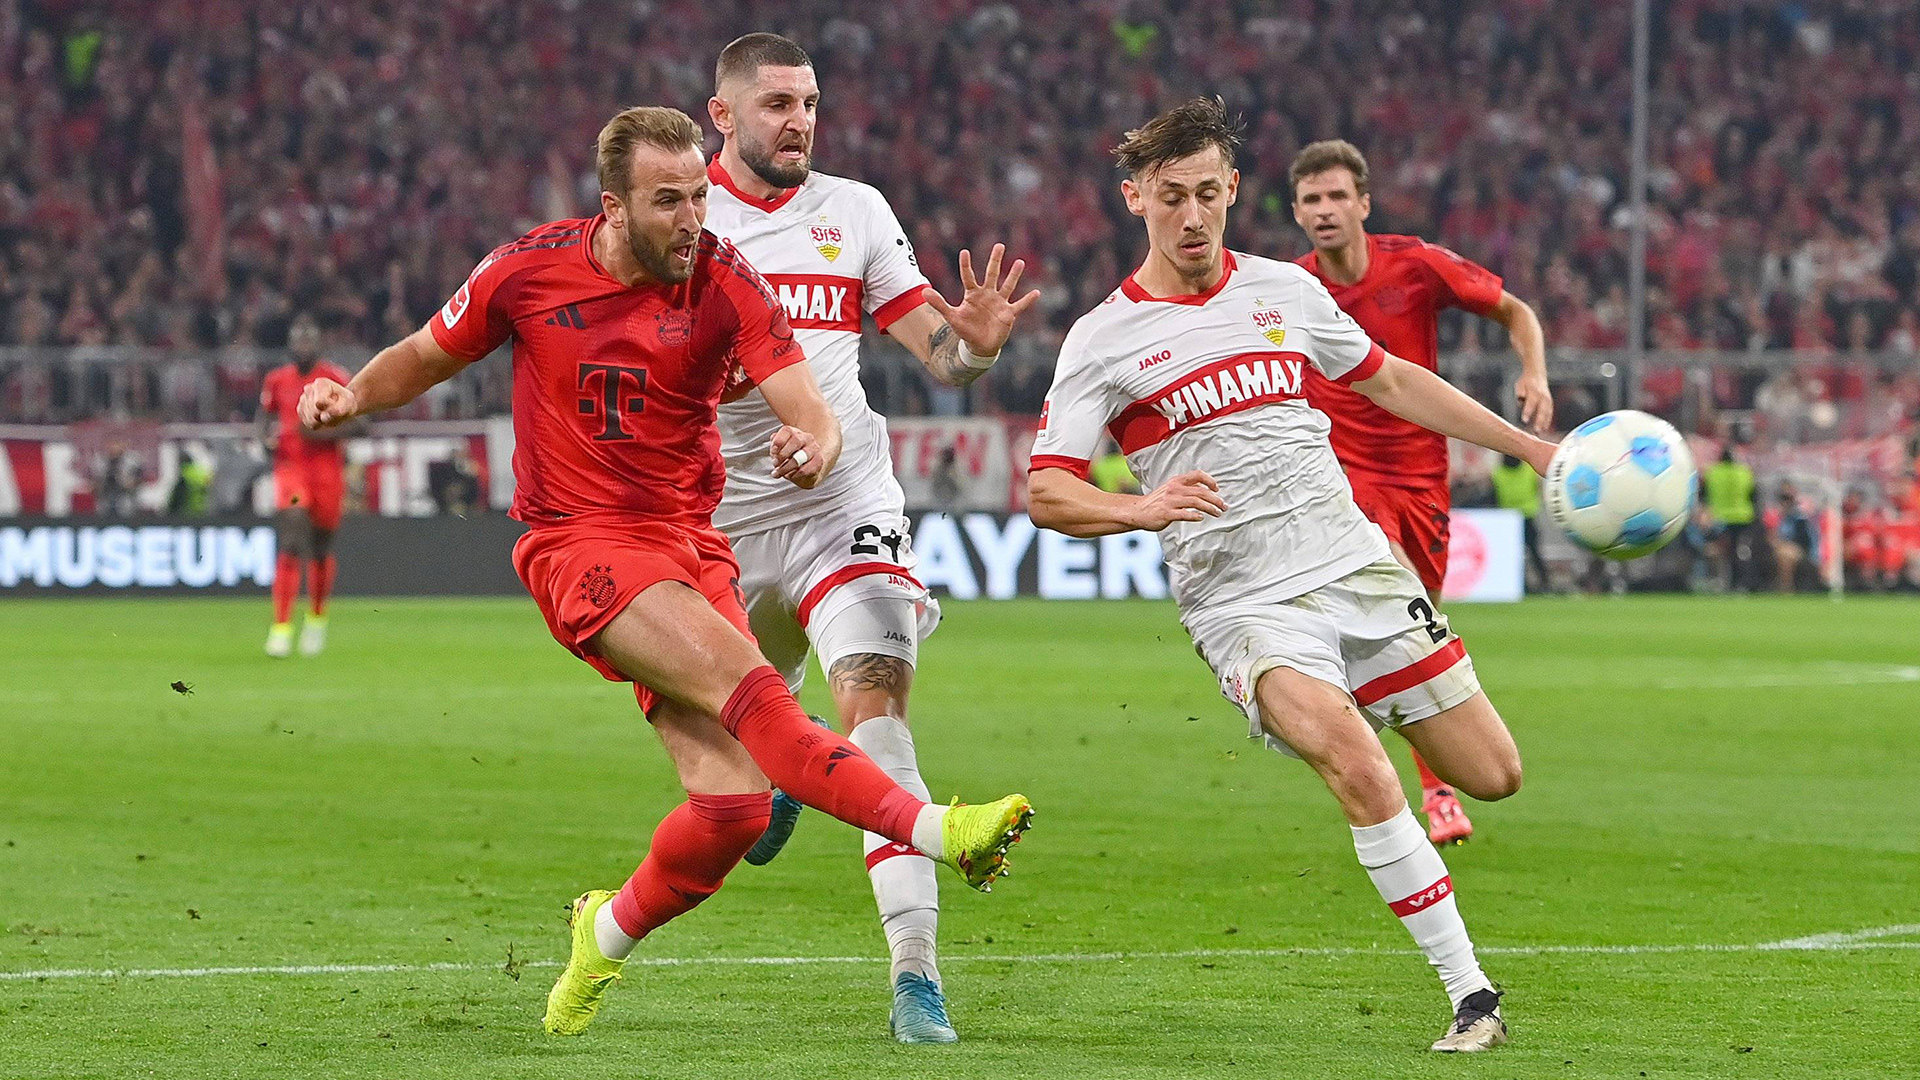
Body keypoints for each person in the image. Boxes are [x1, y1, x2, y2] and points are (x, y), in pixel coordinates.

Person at [297, 105, 1035, 1039]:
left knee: (731, 809)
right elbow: (425, 354)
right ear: (615, 206)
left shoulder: (728, 279)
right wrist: (353, 396)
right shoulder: (528, 270)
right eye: (669, 202)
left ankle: (597, 938)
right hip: (582, 545)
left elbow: (804, 401)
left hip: (690, 544)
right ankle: (938, 832)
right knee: (756, 693)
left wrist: (812, 441)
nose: (695, 219)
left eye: (698, 196)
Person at [1027, 99, 1556, 1053]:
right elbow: (1048, 492)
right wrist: (1139, 509)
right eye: (1171, 197)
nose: (1192, 217)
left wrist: (1529, 449)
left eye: (1208, 194)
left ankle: (1382, 717)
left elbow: (1392, 380)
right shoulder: (1102, 339)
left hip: (1355, 565)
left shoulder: (1285, 291)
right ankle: (1472, 995)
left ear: (1232, 192)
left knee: (1496, 774)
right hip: (1243, 605)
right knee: (1355, 762)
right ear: (1135, 198)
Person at [700, 34, 1040, 1044]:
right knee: (729, 784)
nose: (799, 119)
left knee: (880, 711)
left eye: (808, 102)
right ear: (724, 116)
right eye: (775, 104)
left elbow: (938, 355)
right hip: (717, 519)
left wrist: (972, 351)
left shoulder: (855, 211)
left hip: (843, 500)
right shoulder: (684, 219)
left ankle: (916, 979)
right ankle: (777, 744)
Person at [1289, 139, 1554, 846]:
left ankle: (1405, 765)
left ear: (1364, 204)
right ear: (1296, 212)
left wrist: (1534, 374)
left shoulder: (1415, 264)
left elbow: (1517, 312)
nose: (1325, 210)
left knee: (1416, 627)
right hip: (1340, 483)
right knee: (1393, 609)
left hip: (1421, 482)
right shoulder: (1291, 289)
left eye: (1337, 196)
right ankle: (1426, 795)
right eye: (1311, 200)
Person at [258, 313, 356, 657]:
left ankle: (316, 619)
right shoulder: (277, 380)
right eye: (297, 339)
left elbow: (363, 423)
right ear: (289, 344)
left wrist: (322, 432)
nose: (303, 344)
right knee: (292, 536)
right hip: (292, 470)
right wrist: (264, 440)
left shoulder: (334, 378)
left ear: (319, 344)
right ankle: (281, 628)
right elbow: (264, 417)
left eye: (308, 339)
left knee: (320, 547)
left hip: (327, 471)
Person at [1490, 454, 1550, 592]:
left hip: (1510, 518)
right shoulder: (1528, 470)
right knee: (1534, 552)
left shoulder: (1498, 473)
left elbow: (1494, 495)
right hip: (1524, 515)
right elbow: (1538, 489)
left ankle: (1524, 584)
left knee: (1515, 554)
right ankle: (1543, 583)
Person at [1703, 444, 1758, 590]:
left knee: (1718, 552)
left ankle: (1717, 581)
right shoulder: (1744, 472)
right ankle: (1741, 584)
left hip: (1719, 519)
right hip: (1742, 519)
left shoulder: (1713, 472)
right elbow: (1754, 496)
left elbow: (1704, 496)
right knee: (1740, 553)